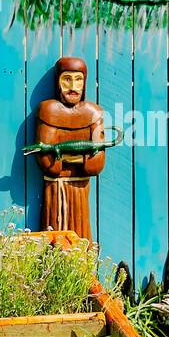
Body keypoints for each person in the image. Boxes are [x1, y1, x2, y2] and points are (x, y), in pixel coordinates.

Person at [34, 56, 105, 239]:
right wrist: (82, 157)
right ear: (57, 82)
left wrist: (63, 155)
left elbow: (96, 164)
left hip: (81, 188)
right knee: (56, 237)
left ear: (85, 82)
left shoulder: (93, 113)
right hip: (55, 188)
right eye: (67, 79)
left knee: (81, 237)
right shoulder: (49, 111)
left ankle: (81, 267)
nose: (73, 87)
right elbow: (48, 162)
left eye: (78, 80)